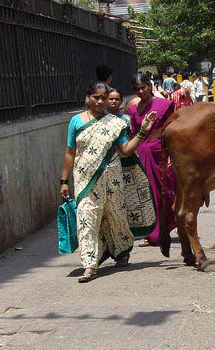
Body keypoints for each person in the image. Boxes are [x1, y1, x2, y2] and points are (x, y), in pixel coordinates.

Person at [60, 82, 157, 283]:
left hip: (112, 177)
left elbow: (125, 150)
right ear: (88, 97)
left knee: (115, 215)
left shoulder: (115, 123)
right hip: (85, 178)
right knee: (86, 218)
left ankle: (121, 251)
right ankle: (89, 264)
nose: (101, 101)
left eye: (104, 98)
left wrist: (143, 132)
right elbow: (70, 153)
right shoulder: (76, 122)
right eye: (96, 97)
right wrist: (64, 180)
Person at [127, 73, 176, 249]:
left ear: (150, 86)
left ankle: (171, 223)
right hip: (141, 154)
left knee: (164, 192)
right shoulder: (133, 110)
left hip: (160, 153)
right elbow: (133, 133)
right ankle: (153, 233)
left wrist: (171, 155)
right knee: (147, 195)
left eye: (143, 87)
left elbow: (172, 129)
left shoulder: (165, 105)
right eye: (137, 89)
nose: (141, 91)